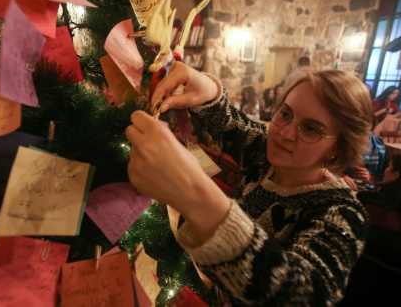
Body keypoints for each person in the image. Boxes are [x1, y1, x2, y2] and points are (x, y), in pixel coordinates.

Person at [126, 62, 373, 306]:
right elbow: (231, 124)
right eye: (285, 113)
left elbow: (304, 295)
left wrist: (196, 196)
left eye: (310, 129)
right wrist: (208, 88)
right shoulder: (266, 154)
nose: (286, 133)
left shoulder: (342, 213)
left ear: (338, 148)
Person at [340, 149, 401, 306]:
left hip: (354, 294)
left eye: (390, 166)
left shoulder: (366, 208)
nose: (386, 168)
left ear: (394, 176)